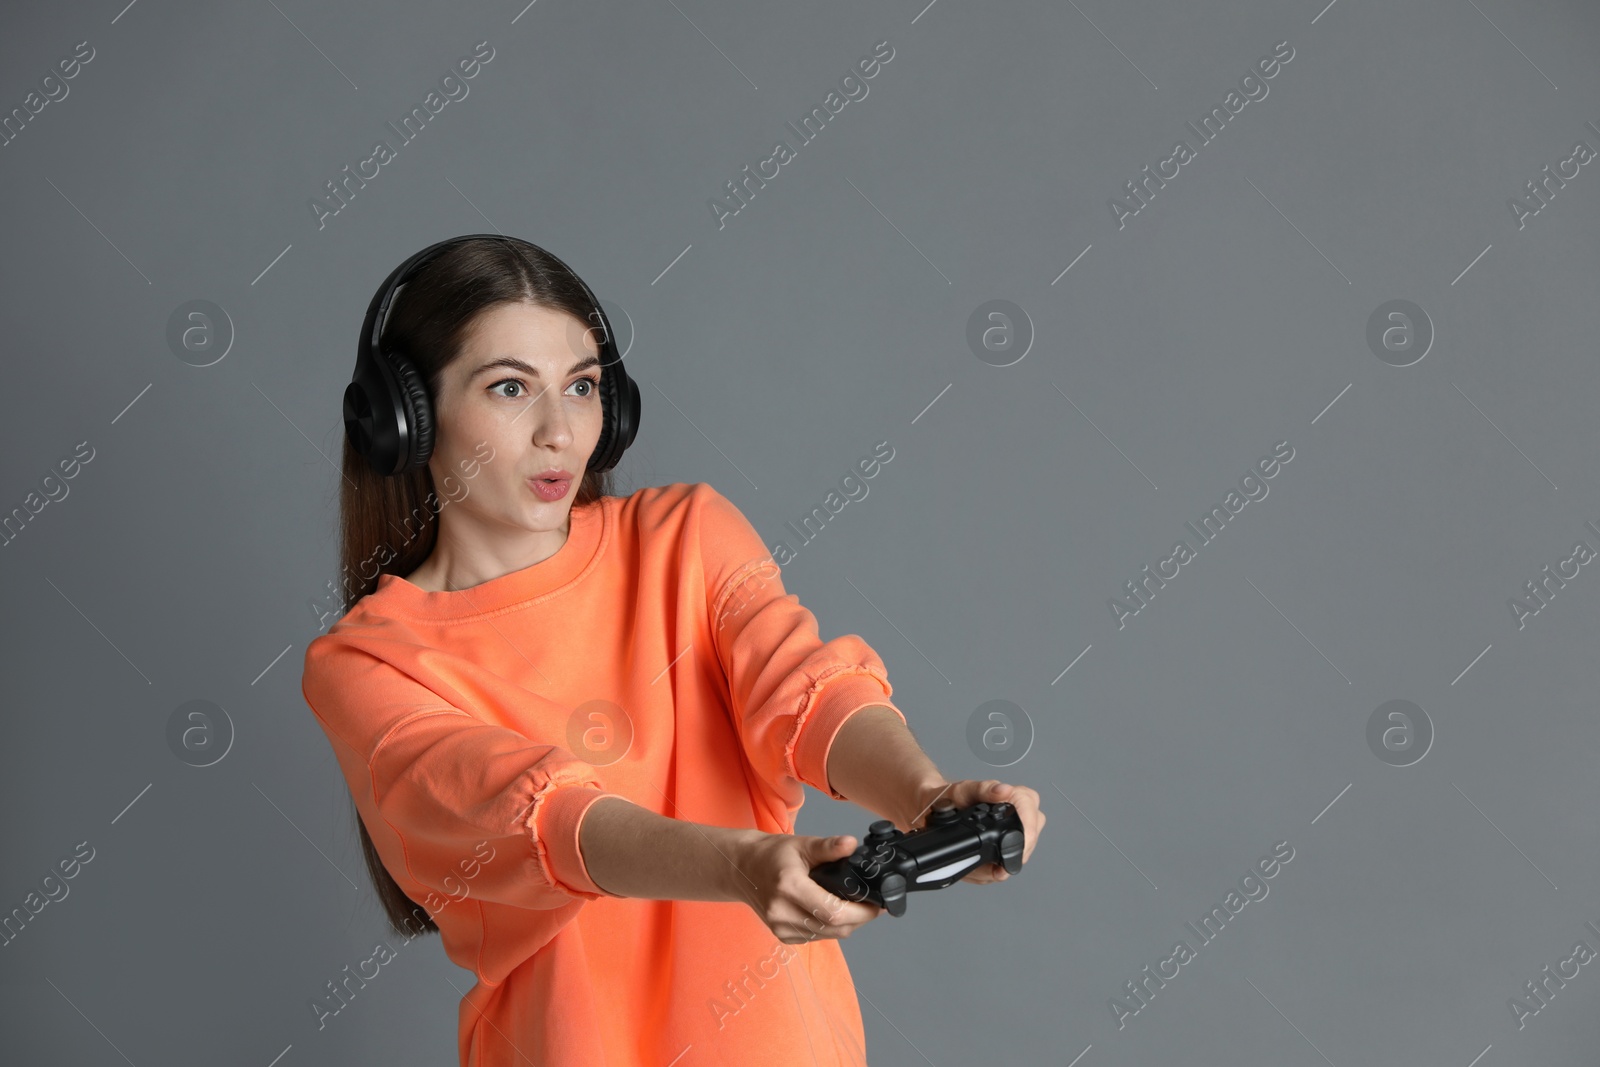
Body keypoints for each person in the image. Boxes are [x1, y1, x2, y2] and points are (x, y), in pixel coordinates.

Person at [300, 235, 1046, 1067]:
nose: (558, 430)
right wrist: (741, 866)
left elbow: (809, 694)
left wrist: (926, 795)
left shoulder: (684, 537)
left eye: (581, 387)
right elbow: (541, 817)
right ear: (408, 418)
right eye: (510, 387)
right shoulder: (369, 664)